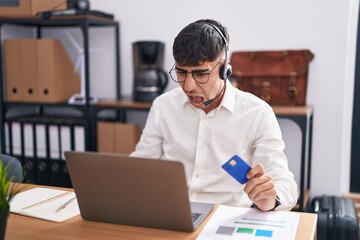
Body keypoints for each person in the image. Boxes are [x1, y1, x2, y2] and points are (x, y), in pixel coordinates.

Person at [130, 19, 297, 211]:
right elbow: (140, 164)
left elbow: (284, 181)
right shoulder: (163, 106)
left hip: (227, 216)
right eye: (181, 72)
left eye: (201, 74)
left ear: (224, 68)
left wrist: (272, 198)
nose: (188, 86)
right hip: (174, 212)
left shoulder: (258, 113)